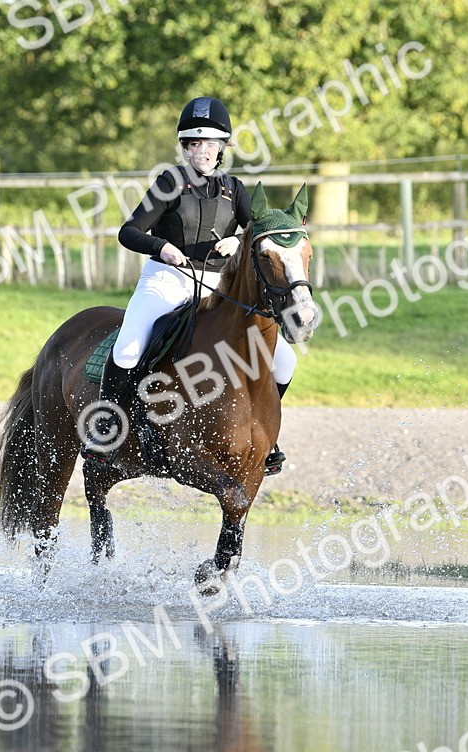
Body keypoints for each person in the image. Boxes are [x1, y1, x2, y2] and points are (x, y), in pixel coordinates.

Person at [82, 96, 296, 474]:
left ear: (222, 149)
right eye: (193, 144)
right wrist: (161, 246)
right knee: (130, 346)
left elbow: (257, 230)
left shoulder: (236, 189)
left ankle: (267, 434)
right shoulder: (169, 183)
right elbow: (128, 232)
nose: (201, 152)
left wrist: (239, 240)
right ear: (185, 147)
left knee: (284, 359)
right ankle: (106, 427)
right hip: (166, 282)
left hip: (219, 289)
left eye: (210, 144)